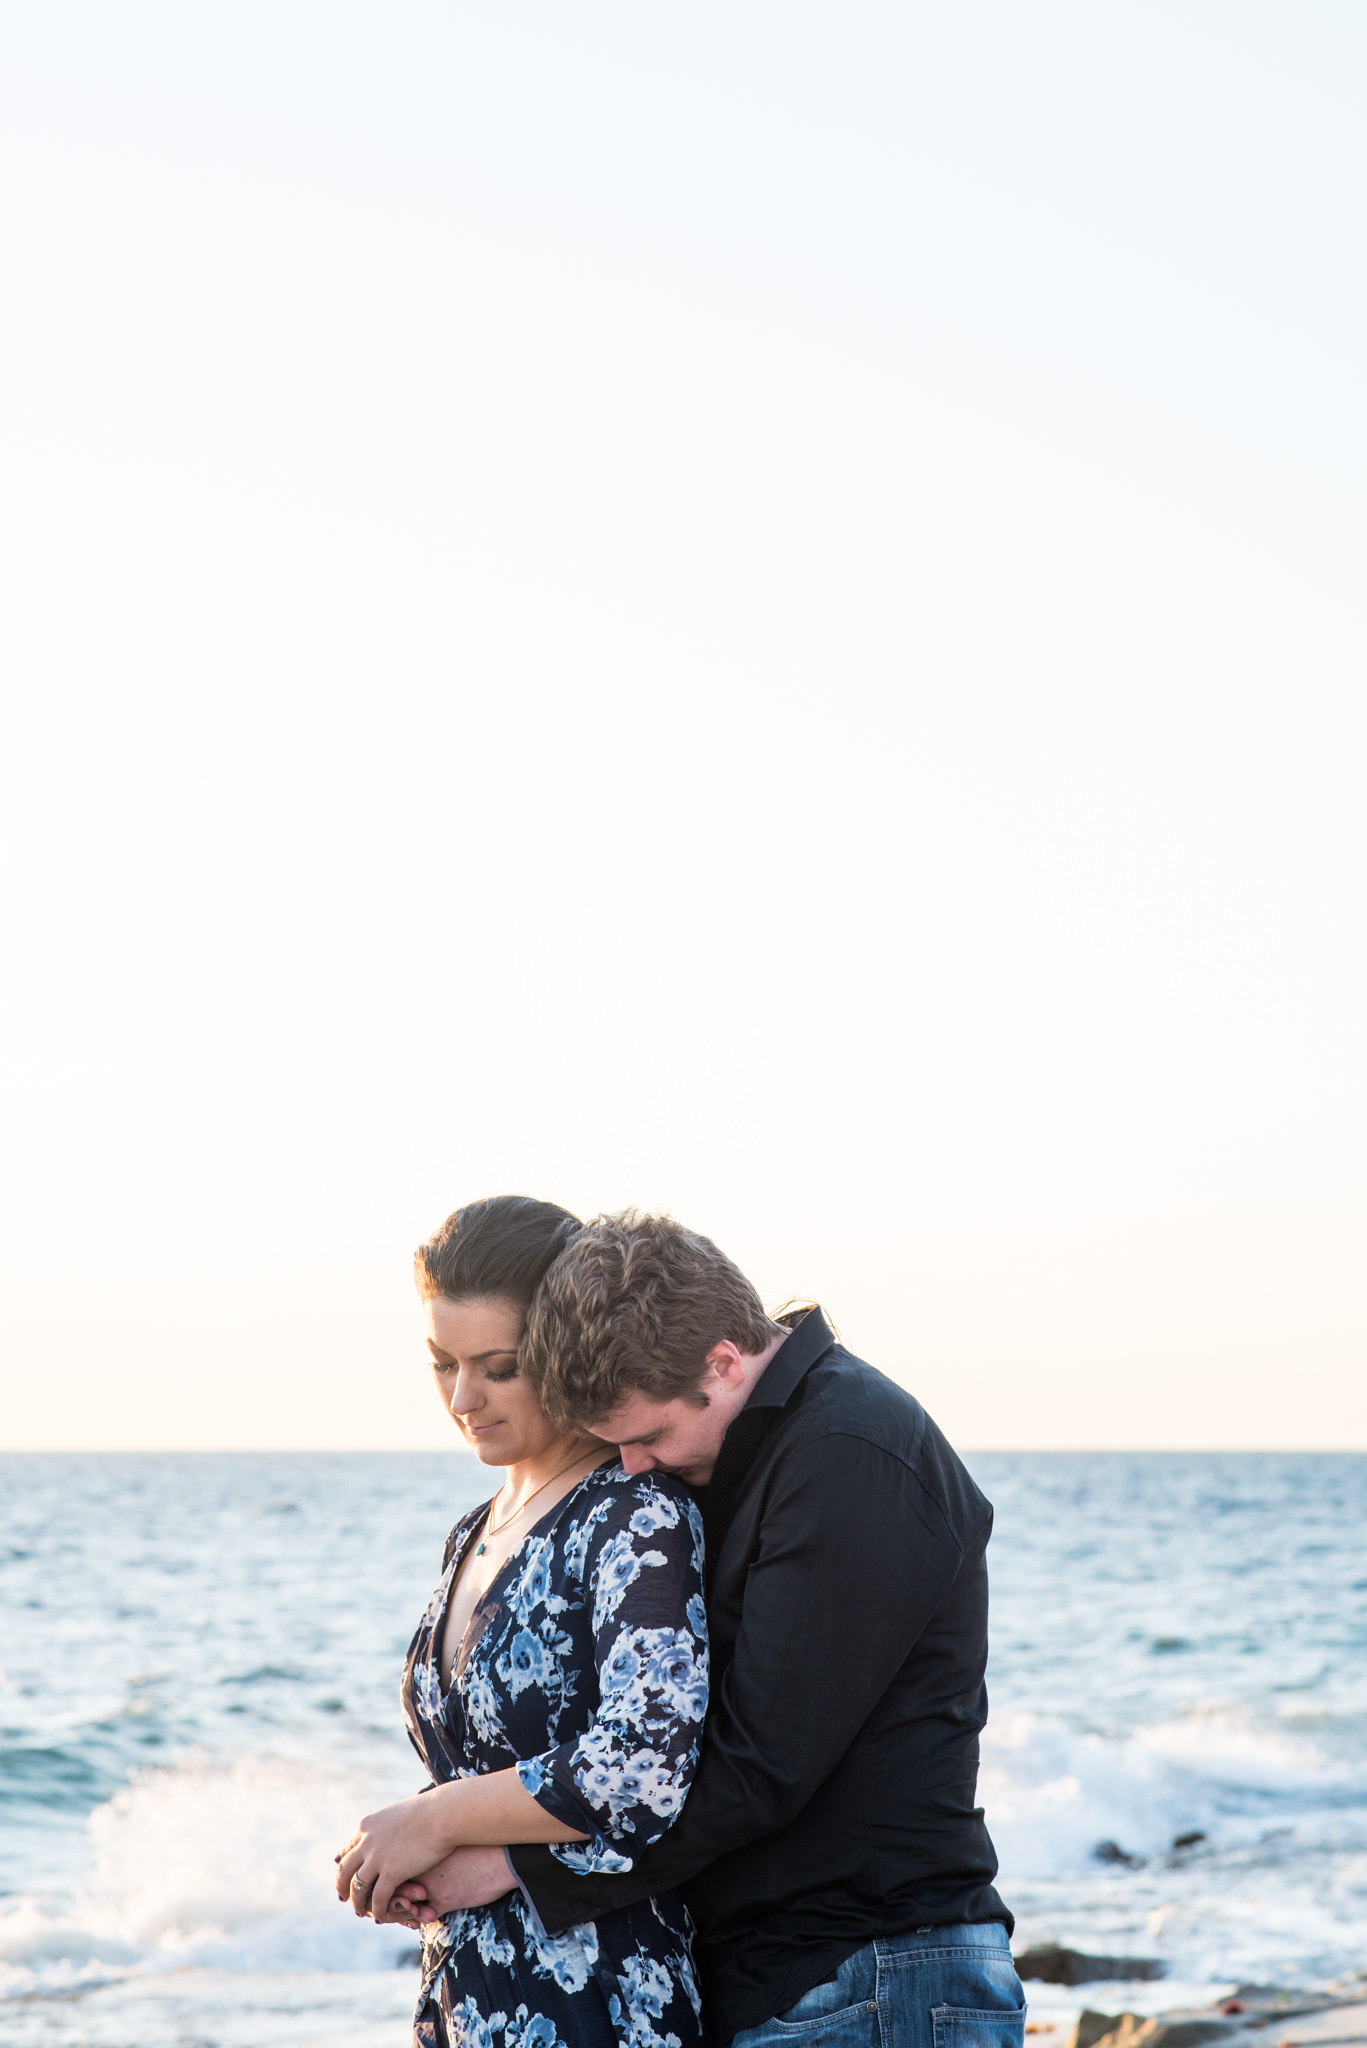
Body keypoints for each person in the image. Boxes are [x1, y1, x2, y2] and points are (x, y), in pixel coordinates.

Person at [400, 1211, 1021, 2048]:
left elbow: (758, 1764)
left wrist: (513, 1863)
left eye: (649, 1436)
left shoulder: (847, 1450)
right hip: (807, 1981)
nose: (634, 1468)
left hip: (872, 1975)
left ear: (723, 1362)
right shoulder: (756, 1448)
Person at [336, 1196, 709, 2048]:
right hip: (467, 1995)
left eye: (498, 1367)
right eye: (442, 1363)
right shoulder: (473, 1529)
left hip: (600, 2000)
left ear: (565, 1351)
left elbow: (645, 1764)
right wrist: (414, 1862)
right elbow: (483, 1761)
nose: (464, 1396)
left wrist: (434, 1821)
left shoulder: (632, 1514)